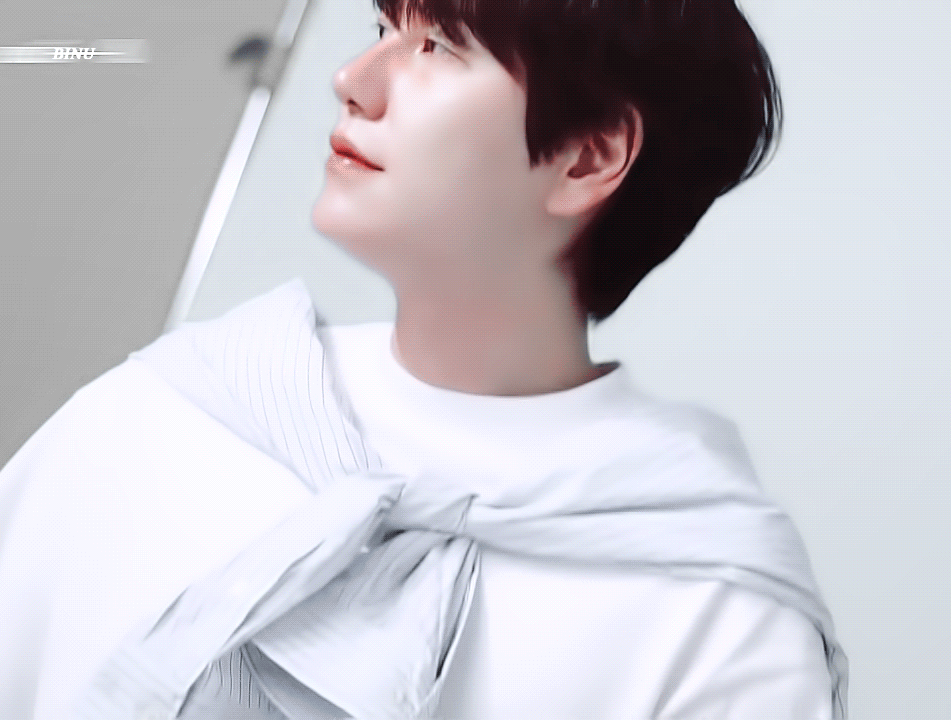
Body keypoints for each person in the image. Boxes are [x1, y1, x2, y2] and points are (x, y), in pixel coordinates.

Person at [0, 0, 848, 717]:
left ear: (587, 155)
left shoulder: (719, 620)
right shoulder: (158, 418)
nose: (353, 80)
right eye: (381, 28)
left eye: (438, 46)